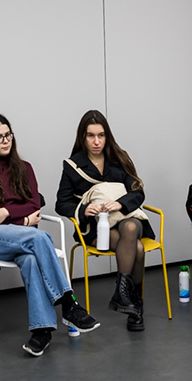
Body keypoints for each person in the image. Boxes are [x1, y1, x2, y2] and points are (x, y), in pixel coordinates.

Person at [0, 112, 99, 356]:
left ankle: (42, 330)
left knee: (31, 259)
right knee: (40, 237)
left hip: (22, 237)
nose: (5, 141)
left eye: (8, 135)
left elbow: (34, 203)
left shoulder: (24, 168)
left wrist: (6, 211)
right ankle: (68, 304)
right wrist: (23, 218)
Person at [55, 110, 151, 331]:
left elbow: (138, 191)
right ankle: (135, 306)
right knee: (136, 247)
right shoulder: (73, 165)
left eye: (101, 135)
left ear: (107, 136)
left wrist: (121, 204)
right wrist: (85, 208)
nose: (96, 141)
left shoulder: (119, 158)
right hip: (97, 228)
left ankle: (124, 296)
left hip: (128, 218)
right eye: (90, 136)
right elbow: (62, 203)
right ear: (83, 137)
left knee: (129, 226)